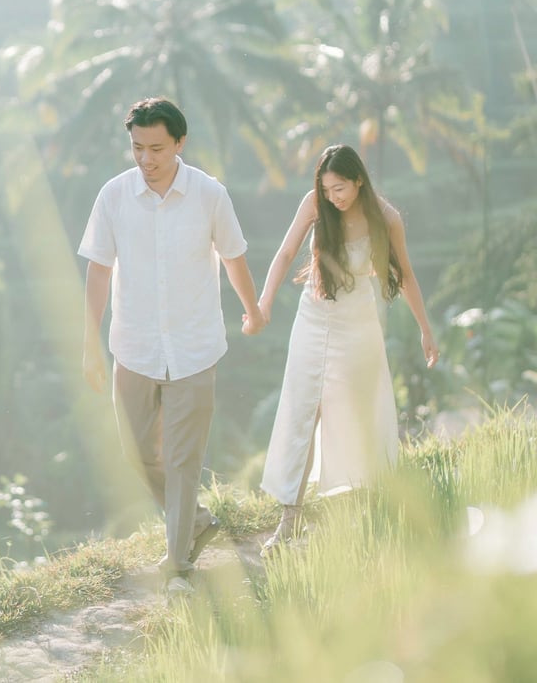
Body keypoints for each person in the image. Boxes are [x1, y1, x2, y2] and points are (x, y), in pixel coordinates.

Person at [79, 97, 266, 597]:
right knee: (136, 453)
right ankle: (198, 520)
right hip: (133, 346)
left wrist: (253, 309)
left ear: (180, 143)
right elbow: (98, 269)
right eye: (137, 147)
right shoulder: (114, 196)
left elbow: (234, 257)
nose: (146, 158)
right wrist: (89, 342)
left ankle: (177, 563)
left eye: (157, 148)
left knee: (183, 460)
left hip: (194, 347)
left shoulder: (209, 194)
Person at [256, 143, 439, 553]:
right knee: (304, 410)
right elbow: (286, 253)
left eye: (340, 189)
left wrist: (426, 329)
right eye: (326, 189)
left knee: (354, 416)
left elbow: (405, 274)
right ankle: (290, 519)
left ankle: (359, 511)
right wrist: (264, 302)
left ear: (359, 181)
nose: (333, 197)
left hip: (357, 327)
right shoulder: (315, 204)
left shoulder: (386, 218)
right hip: (312, 319)